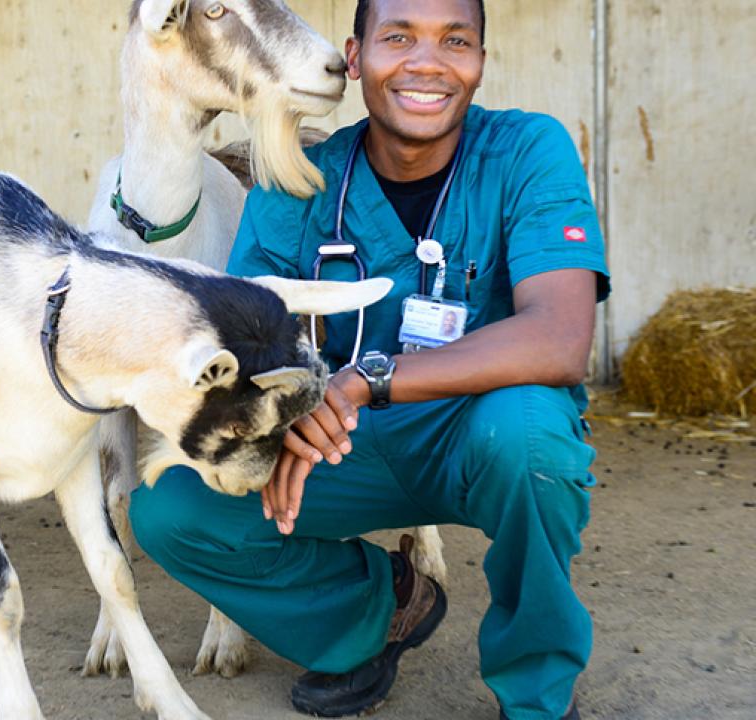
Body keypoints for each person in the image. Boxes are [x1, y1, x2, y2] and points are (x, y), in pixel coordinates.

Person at [127, 0, 610, 718]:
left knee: (534, 434)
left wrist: (364, 381)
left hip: (476, 435)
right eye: (398, 38)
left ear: (479, 62)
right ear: (355, 59)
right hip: (337, 447)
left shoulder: (527, 151)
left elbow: (559, 339)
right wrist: (286, 415)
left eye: (455, 41)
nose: (426, 62)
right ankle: (372, 616)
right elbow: (249, 357)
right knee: (173, 509)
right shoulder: (297, 182)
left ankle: (536, 692)